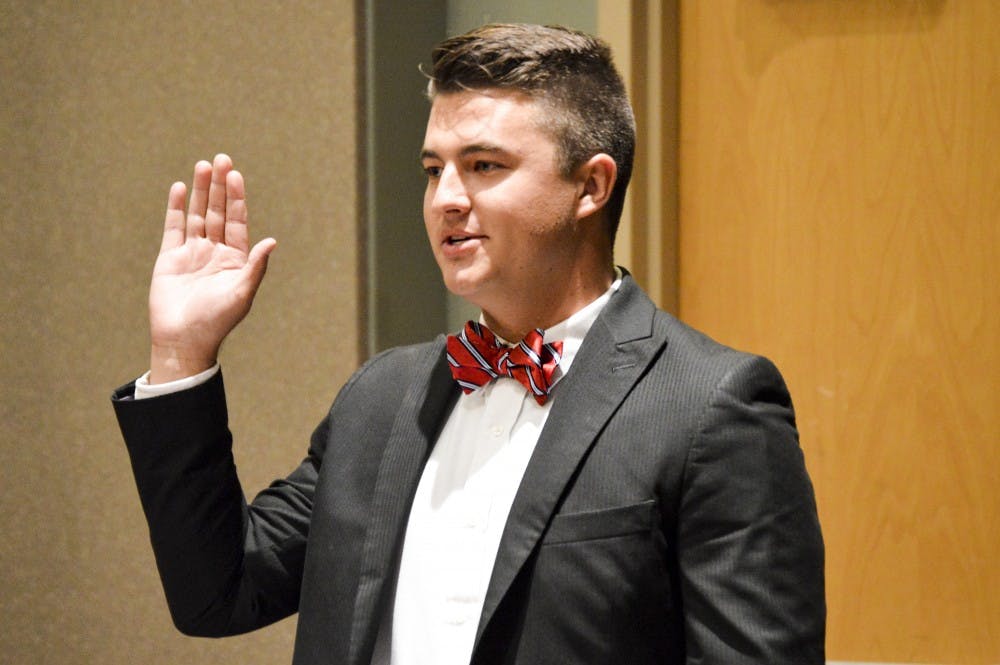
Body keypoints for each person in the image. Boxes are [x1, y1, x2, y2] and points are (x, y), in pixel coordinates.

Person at [112, 23, 825, 665]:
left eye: (484, 165)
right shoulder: (381, 396)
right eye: (433, 169)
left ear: (591, 185)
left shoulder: (710, 406)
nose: (446, 197)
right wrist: (182, 355)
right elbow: (219, 593)